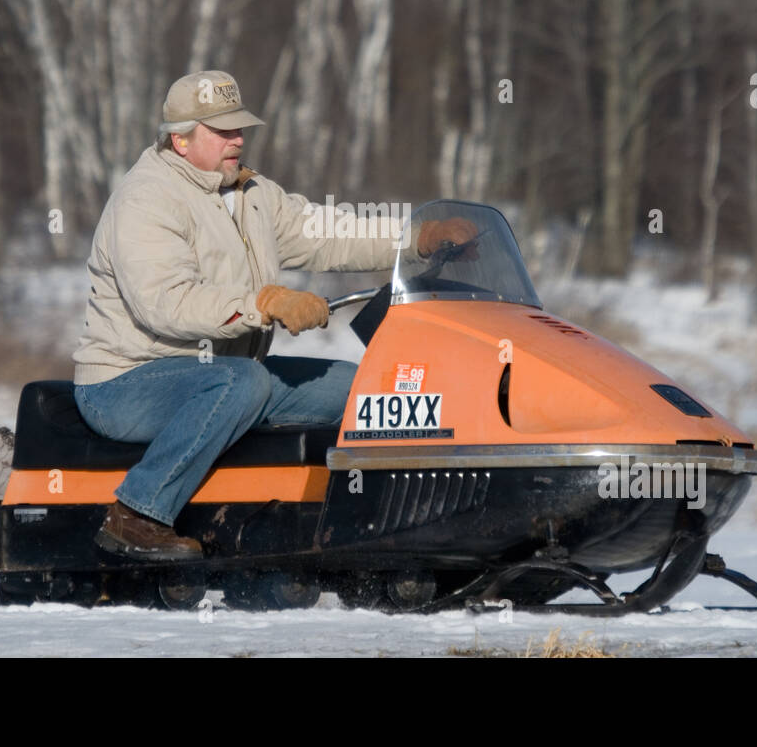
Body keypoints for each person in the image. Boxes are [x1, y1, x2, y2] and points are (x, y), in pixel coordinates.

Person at [72, 70, 475, 560]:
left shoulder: (250, 193)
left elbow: (326, 233)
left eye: (240, 128)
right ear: (180, 140)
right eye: (222, 131)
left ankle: (372, 531)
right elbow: (167, 303)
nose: (238, 139)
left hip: (227, 375)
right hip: (124, 384)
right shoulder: (145, 200)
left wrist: (416, 239)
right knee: (241, 383)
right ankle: (136, 516)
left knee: (360, 391)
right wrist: (264, 303)